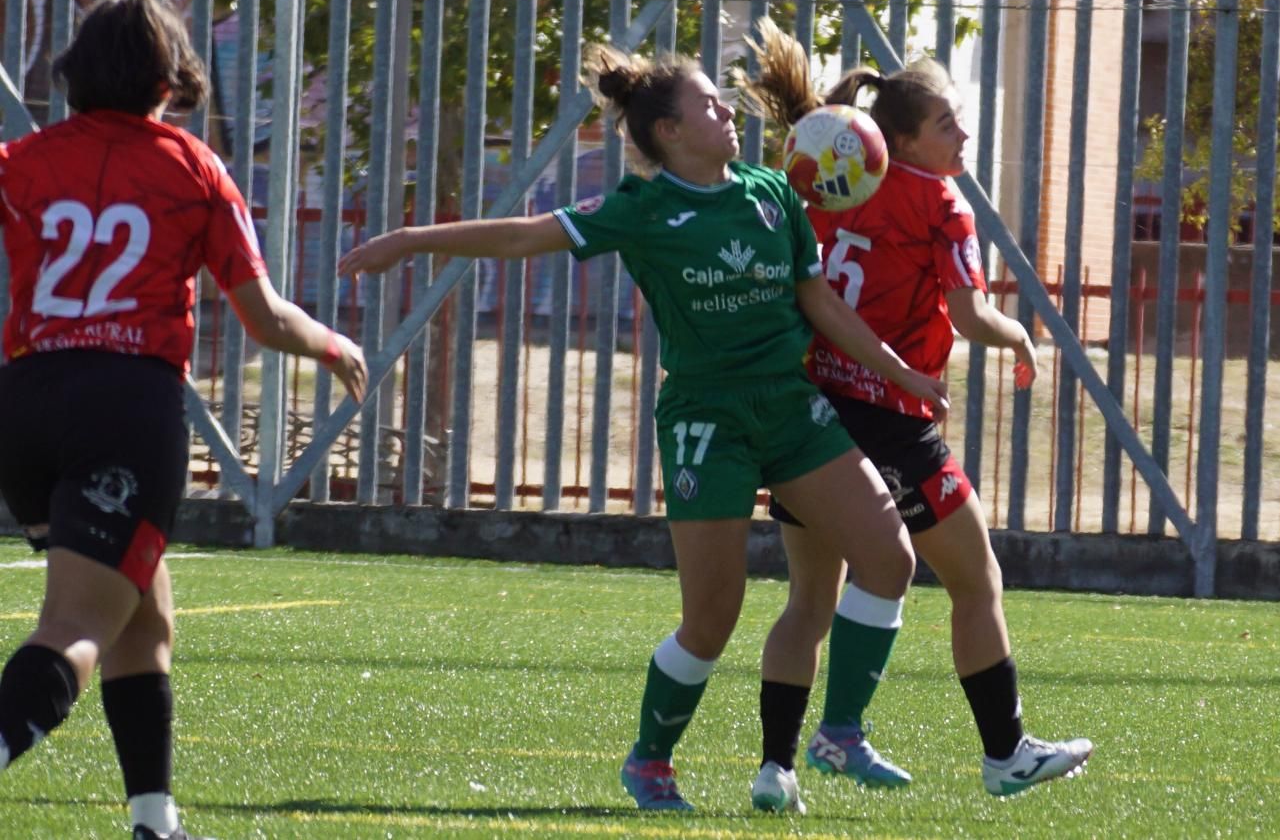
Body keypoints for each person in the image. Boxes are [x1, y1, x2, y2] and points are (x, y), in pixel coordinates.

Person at [338, 43, 947, 815]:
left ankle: (841, 733)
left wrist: (903, 374)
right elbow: (526, 236)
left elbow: (820, 303)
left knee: (889, 556)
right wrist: (411, 241)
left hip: (790, 408)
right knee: (711, 617)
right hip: (707, 419)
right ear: (668, 131)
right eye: (710, 105)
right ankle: (650, 760)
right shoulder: (642, 209)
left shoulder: (770, 193)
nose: (729, 111)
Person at [0, 0, 368, 840]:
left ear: (76, 71)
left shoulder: (21, 159)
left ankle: (155, 820)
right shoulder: (194, 168)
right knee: (81, 622)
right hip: (124, 405)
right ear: (171, 79)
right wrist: (331, 344)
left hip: (25, 405)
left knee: (146, 613)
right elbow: (264, 316)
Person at [738, 19, 1093, 801]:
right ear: (896, 139)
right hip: (893, 418)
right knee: (976, 578)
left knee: (809, 598)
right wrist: (1021, 339)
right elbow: (969, 317)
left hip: (812, 415)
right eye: (946, 123)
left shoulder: (821, 194)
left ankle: (777, 766)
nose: (963, 133)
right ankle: (996, 751)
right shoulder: (938, 200)